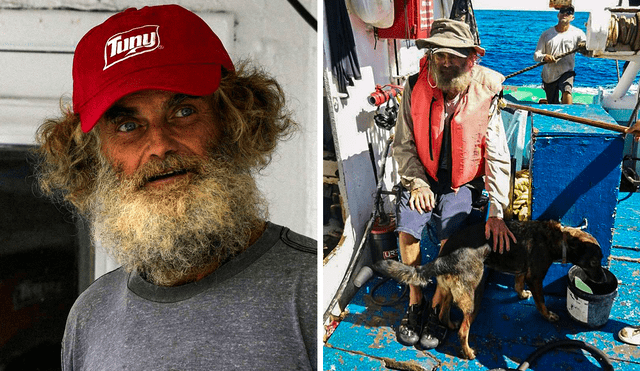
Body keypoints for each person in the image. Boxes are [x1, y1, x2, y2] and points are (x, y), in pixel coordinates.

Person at [35, 5, 316, 370]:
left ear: (234, 121)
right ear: (92, 157)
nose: (159, 145)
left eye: (183, 111)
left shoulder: (310, 290)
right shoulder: (89, 317)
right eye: (127, 126)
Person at [392, 18, 515, 350]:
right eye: (440, 55)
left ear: (470, 58)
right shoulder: (414, 85)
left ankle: (438, 306)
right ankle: (416, 297)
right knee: (408, 225)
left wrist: (497, 210)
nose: (446, 62)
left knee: (452, 237)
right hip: (424, 177)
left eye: (455, 56)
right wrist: (417, 184)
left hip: (463, 183)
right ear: (431, 55)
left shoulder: (486, 93)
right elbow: (402, 144)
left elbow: (498, 154)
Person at [533, 5, 586, 104]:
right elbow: (536, 55)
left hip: (567, 72)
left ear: (572, 18)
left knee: (567, 91)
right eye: (562, 11)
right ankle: (546, 102)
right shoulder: (546, 34)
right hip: (549, 75)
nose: (565, 14)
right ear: (558, 15)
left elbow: (587, 48)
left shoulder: (578, 33)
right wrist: (544, 57)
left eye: (569, 12)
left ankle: (568, 117)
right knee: (553, 103)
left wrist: (584, 48)